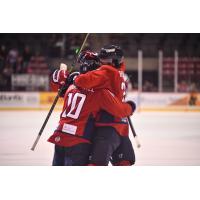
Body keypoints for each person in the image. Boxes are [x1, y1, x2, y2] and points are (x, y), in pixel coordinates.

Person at [47, 50, 136, 166]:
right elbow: (119, 110)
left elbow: (59, 88)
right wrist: (131, 106)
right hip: (79, 141)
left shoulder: (71, 86)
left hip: (59, 136)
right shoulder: (100, 92)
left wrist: (59, 77)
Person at [73, 45, 136, 166]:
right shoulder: (120, 70)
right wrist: (95, 56)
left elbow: (81, 81)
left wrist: (81, 74)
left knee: (96, 164)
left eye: (104, 60)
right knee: (124, 163)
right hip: (122, 127)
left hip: (106, 126)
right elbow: (112, 62)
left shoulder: (106, 73)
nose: (101, 62)